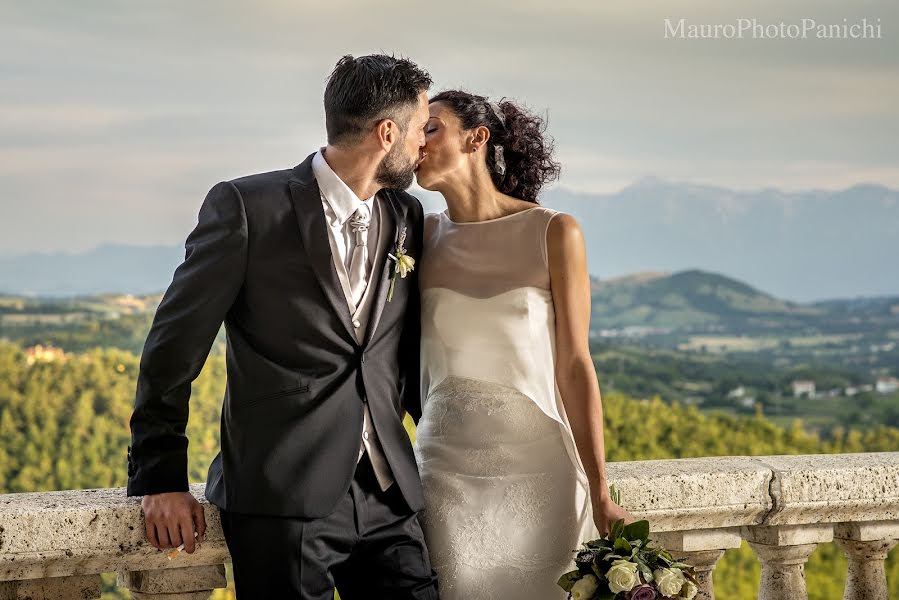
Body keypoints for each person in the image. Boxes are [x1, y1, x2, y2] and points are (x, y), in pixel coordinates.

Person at [126, 54, 440, 600]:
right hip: (281, 498)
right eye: (419, 129)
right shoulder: (249, 208)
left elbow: (395, 353)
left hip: (388, 493)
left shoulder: (405, 216)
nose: (424, 145)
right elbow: (173, 346)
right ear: (386, 133)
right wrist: (161, 477)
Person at [411, 90, 637, 600]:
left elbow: (576, 365)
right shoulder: (419, 238)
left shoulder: (554, 232)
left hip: (542, 474)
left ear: (476, 137)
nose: (417, 142)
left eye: (431, 128)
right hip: (446, 476)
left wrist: (601, 492)